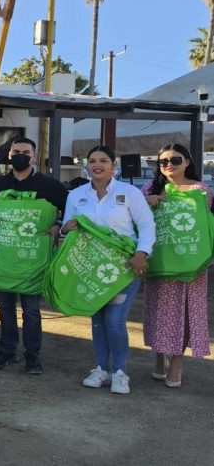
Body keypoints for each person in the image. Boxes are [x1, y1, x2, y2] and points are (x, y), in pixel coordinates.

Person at [62, 145, 155, 395]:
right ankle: (101, 368)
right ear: (87, 166)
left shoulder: (129, 192)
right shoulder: (76, 195)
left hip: (123, 268)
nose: (97, 164)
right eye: (92, 161)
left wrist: (141, 253)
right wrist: (67, 227)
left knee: (114, 321)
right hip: (89, 268)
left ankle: (120, 372)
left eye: (103, 160)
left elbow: (146, 225)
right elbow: (65, 227)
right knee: (97, 321)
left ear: (114, 166)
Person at [0, 137, 68, 375]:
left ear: (34, 157)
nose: (20, 155)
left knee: (32, 311)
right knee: (5, 308)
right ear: (9, 155)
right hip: (4, 261)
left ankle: (32, 355)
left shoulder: (50, 186)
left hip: (33, 262)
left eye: (26, 152)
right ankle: (6, 350)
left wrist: (58, 225)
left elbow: (70, 210)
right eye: (16, 151)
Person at [140, 143, 209, 388]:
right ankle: (159, 356)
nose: (169, 165)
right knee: (158, 311)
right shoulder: (149, 189)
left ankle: (177, 362)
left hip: (191, 265)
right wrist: (147, 200)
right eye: (163, 161)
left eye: (175, 160)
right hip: (160, 261)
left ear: (188, 161)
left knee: (185, 313)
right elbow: (133, 216)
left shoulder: (202, 191)